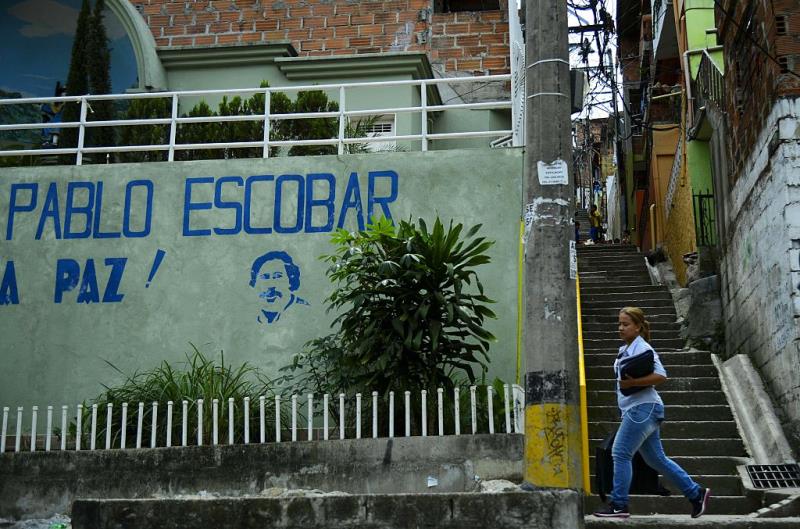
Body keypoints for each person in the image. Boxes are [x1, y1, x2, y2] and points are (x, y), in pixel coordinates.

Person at [593, 306, 710, 519]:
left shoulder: (643, 348)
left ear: (638, 327)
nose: (620, 328)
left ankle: (619, 505)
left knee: (620, 452)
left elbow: (661, 376)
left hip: (642, 409)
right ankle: (696, 493)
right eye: (619, 324)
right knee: (657, 460)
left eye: (626, 324)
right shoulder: (626, 349)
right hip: (639, 409)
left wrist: (634, 383)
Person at [249, 251, 308, 324]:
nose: (270, 285)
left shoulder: (304, 311)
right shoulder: (249, 314)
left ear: (290, 280)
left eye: (277, 276)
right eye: (264, 277)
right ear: (255, 283)